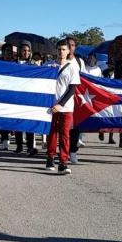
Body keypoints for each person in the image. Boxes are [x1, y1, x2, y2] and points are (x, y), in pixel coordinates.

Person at [46, 40, 79, 175]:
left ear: (68, 51)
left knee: (65, 135)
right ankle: (50, 158)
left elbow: (72, 89)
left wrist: (61, 104)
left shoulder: (72, 67)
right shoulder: (48, 65)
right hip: (50, 106)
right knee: (52, 133)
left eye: (64, 49)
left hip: (66, 107)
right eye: (59, 49)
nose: (61, 52)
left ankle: (63, 162)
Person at [14, 40, 38, 156]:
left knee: (29, 123)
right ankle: (19, 146)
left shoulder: (33, 65)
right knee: (18, 123)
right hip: (17, 97)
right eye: (24, 50)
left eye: (28, 51)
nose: (26, 52)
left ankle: (30, 146)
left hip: (29, 98)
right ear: (19, 51)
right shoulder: (14, 64)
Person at [0, 42, 16, 151]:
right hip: (1, 94)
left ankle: (10, 132)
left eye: (11, 51)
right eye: (8, 51)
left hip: (13, 95)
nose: (10, 53)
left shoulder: (16, 63)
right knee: (2, 116)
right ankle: (4, 138)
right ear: (3, 52)